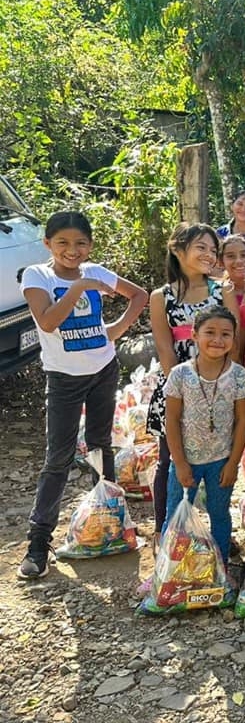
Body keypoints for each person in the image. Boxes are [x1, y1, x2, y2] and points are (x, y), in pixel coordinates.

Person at [17, 211, 148, 579]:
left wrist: (116, 330)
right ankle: (38, 542)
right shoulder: (37, 276)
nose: (72, 250)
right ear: (48, 244)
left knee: (100, 447)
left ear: (90, 245)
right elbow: (47, 321)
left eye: (80, 243)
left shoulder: (96, 271)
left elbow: (139, 295)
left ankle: (109, 522)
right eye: (62, 243)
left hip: (103, 370)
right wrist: (79, 286)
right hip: (63, 378)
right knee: (57, 458)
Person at [148, 223, 241, 547]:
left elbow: (235, 340)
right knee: (171, 460)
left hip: (220, 387)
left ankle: (217, 539)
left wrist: (220, 387)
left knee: (217, 460)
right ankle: (167, 533)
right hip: (178, 389)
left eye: (213, 250)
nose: (209, 255)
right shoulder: (161, 297)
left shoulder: (222, 290)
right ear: (177, 249)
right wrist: (186, 390)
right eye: (201, 247)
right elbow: (165, 349)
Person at [161, 305, 245, 566]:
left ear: (233, 338)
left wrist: (233, 463)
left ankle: (219, 567)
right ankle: (170, 569)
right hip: (186, 460)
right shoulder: (180, 374)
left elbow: (242, 420)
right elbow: (172, 420)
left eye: (226, 334)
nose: (217, 339)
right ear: (194, 335)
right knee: (176, 514)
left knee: (219, 513)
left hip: (221, 461)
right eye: (210, 332)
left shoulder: (239, 376)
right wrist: (179, 463)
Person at [219, 234, 245, 307]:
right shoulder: (217, 293)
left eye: (244, 255)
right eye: (231, 256)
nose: (239, 261)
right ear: (221, 262)